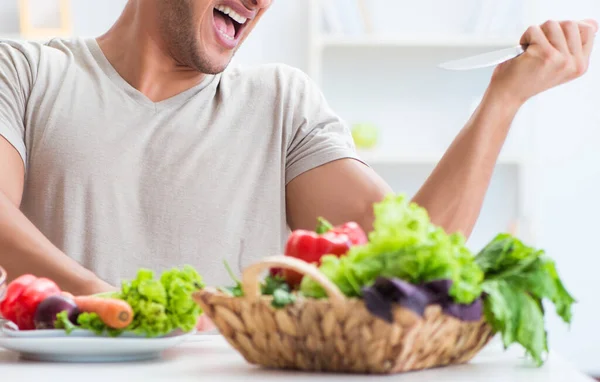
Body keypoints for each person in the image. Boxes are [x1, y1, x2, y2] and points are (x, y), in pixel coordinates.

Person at [0, 0, 596, 298]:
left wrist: (502, 102)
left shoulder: (279, 103)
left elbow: (413, 253)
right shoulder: (25, 71)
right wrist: (122, 311)